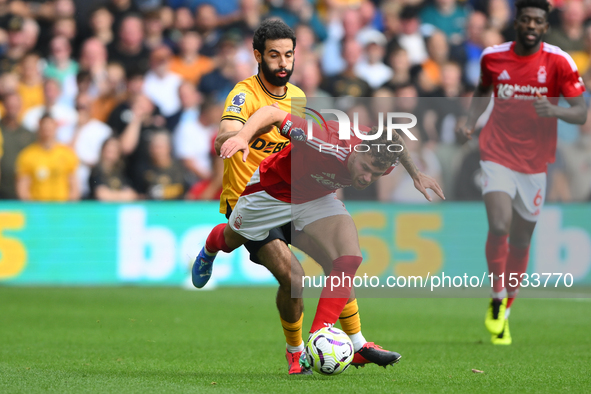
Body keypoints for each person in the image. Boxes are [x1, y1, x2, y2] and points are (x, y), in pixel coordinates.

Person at [192, 19, 400, 375]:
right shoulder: (243, 93)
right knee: (295, 279)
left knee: (340, 263)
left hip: (297, 194)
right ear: (258, 56)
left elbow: (309, 150)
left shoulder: (299, 97)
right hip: (253, 194)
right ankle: (293, 348)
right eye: (274, 55)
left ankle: (356, 344)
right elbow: (225, 133)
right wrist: (236, 137)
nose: (282, 63)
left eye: (288, 55)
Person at [200, 103, 444, 372]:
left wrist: (415, 174)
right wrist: (241, 137)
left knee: (348, 258)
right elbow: (272, 113)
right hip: (273, 192)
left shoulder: (381, 158)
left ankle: (337, 340)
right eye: (365, 168)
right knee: (230, 238)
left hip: (317, 197)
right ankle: (210, 248)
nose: (366, 178)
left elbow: (396, 140)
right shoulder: (324, 139)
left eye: (375, 174)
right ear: (358, 148)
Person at [457, 0, 587, 345]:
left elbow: (581, 112)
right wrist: (470, 122)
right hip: (496, 152)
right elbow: (483, 90)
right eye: (526, 19)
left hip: (535, 163)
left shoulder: (559, 60)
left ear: (545, 27)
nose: (531, 25)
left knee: (521, 239)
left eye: (538, 21)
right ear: (517, 22)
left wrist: (555, 110)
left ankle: (506, 308)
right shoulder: (493, 56)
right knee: (499, 224)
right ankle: (497, 296)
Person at [16, 114, 79, 201]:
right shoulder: (28, 155)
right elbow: (23, 188)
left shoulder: (67, 154)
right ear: (39, 128)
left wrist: (68, 208)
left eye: (50, 126)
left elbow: (74, 187)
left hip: (61, 208)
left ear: (56, 127)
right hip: (38, 209)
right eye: (44, 127)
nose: (47, 130)